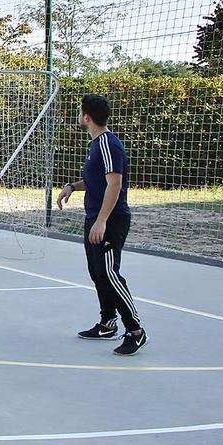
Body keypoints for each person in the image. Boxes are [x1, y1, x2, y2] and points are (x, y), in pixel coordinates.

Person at [57, 94, 147, 356]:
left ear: (87, 117)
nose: (78, 114)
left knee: (109, 273)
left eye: (79, 111)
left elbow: (115, 183)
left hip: (111, 219)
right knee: (97, 273)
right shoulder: (97, 144)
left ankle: (136, 331)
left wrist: (102, 221)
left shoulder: (108, 144)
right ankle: (108, 323)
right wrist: (72, 186)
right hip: (96, 217)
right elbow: (98, 180)